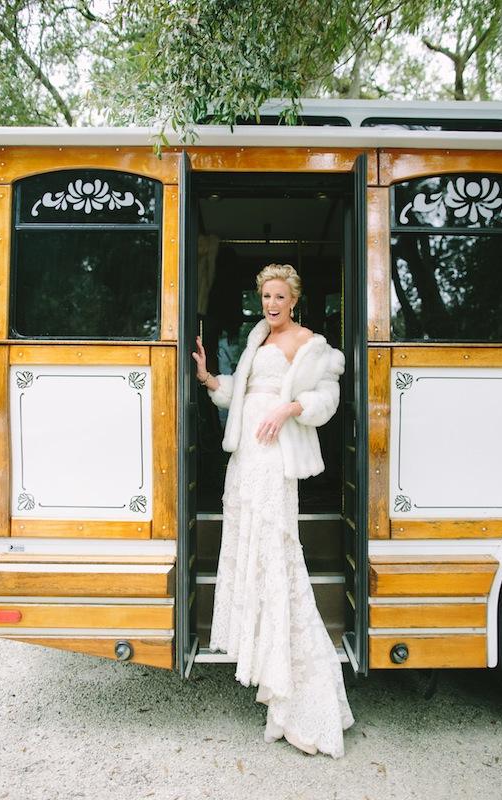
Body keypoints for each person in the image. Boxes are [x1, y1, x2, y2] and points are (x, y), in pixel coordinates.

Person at [192, 263, 355, 758]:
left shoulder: (310, 344)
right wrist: (207, 378)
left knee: (276, 554)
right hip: (246, 458)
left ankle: (296, 692)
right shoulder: (257, 338)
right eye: (265, 294)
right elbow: (239, 396)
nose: (271, 303)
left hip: (275, 456)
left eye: (279, 295)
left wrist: (289, 409)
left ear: (294, 299)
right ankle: (270, 672)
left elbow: (327, 398)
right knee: (254, 554)